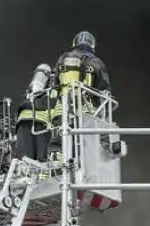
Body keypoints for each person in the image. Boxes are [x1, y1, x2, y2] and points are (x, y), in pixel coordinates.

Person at [48, 30, 111, 163]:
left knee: (60, 147)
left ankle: (56, 158)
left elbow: (54, 85)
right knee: (86, 151)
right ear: (92, 45)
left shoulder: (63, 58)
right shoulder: (96, 62)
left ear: (74, 43)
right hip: (85, 112)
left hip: (62, 110)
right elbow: (104, 94)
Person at [14, 63, 54, 163]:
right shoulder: (52, 91)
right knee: (41, 160)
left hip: (24, 123)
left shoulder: (29, 93)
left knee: (25, 160)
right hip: (41, 125)